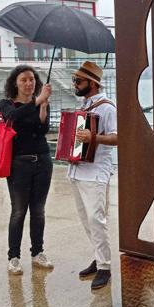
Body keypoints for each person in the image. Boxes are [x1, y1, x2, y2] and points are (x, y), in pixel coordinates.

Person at [0, 65, 54, 275]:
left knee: (38, 211)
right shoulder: (6, 104)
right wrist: (37, 101)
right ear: (15, 82)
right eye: (24, 80)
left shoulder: (39, 102)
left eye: (32, 79)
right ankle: (13, 257)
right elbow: (15, 117)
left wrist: (42, 109)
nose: (29, 83)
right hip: (18, 164)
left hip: (42, 161)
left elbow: (42, 130)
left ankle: (37, 252)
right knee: (19, 211)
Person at [67, 61, 117, 290]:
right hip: (77, 172)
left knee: (97, 220)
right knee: (87, 220)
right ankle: (99, 259)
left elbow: (118, 138)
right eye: (74, 80)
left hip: (96, 174)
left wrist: (93, 138)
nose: (74, 84)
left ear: (93, 83)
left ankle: (105, 267)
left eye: (78, 81)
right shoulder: (85, 106)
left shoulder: (107, 108)